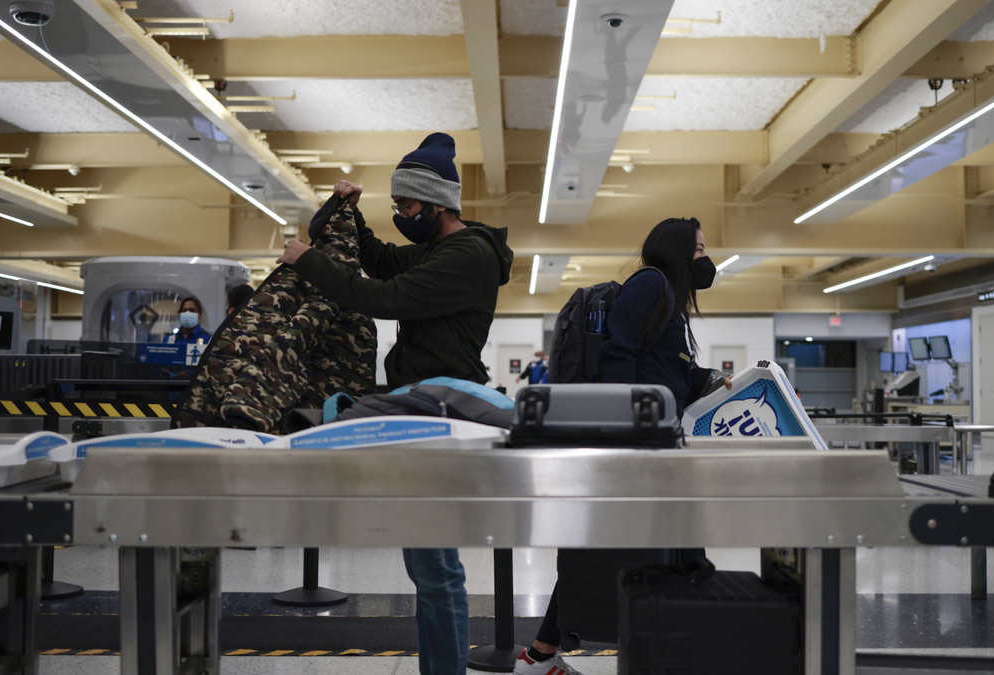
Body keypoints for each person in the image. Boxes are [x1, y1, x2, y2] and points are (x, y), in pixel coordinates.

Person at [277, 132, 513, 675]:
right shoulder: (440, 247)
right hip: (419, 410)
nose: (401, 215)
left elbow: (385, 298)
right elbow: (382, 261)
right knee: (426, 563)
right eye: (395, 206)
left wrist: (309, 261)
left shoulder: (468, 256)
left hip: (443, 412)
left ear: (437, 205)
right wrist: (350, 215)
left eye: (406, 206)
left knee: (435, 566)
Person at [514, 217, 731, 675]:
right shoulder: (650, 285)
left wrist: (708, 380)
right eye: (698, 249)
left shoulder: (669, 302)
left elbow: (662, 370)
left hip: (652, 441)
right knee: (661, 547)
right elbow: (618, 358)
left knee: (610, 547)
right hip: (637, 444)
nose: (704, 258)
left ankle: (540, 654)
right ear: (675, 251)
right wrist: (634, 431)